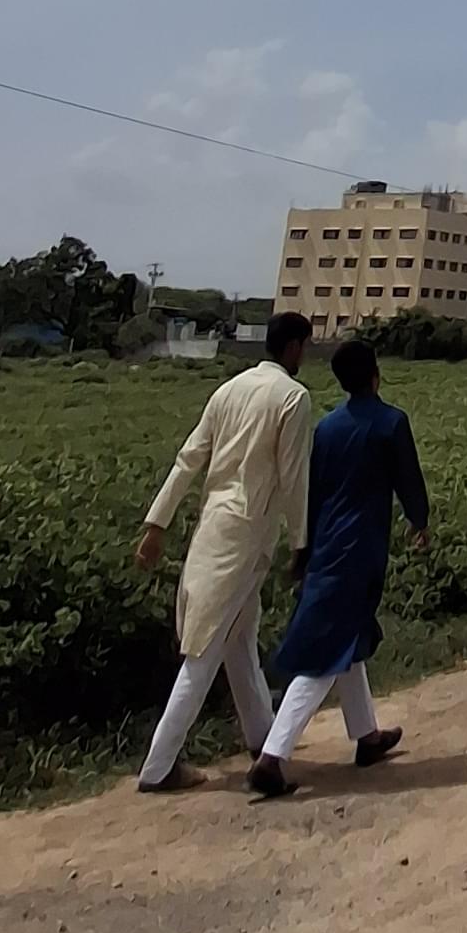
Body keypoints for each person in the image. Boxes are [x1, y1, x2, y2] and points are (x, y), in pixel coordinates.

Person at [133, 312, 314, 792]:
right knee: (206, 649)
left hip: (213, 524)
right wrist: (302, 542)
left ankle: (264, 741)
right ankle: (159, 766)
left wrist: (157, 523)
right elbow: (295, 479)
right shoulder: (293, 397)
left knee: (237, 641)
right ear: (295, 347)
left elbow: (189, 457)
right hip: (248, 534)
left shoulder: (228, 390)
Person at [248, 336, 431, 798]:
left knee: (345, 637)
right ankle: (273, 754)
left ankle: (367, 737)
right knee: (327, 652)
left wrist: (303, 548)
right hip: (361, 546)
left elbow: (311, 492)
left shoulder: (327, 428)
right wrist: (420, 521)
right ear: (376, 373)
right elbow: (409, 479)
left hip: (328, 543)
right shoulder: (391, 423)